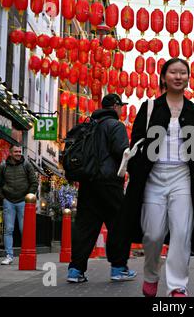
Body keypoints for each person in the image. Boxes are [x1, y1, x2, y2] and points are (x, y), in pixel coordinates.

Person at [124, 58, 194, 297]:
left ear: (188, 78)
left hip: (182, 176)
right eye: (173, 72)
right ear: (164, 77)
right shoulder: (150, 107)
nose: (178, 76)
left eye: (183, 72)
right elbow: (137, 142)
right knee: (153, 234)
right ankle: (151, 274)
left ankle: (177, 286)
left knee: (181, 232)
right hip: (153, 177)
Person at [67, 93, 137, 283]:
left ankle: (75, 270)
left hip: (88, 182)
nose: (122, 109)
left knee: (85, 226)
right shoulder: (115, 126)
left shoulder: (89, 125)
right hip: (108, 182)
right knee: (119, 224)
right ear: (115, 107)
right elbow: (122, 152)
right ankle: (118, 268)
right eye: (121, 106)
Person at [0, 145, 38, 265]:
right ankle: (9, 256)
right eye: (16, 151)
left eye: (20, 151)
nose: (18, 153)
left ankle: (26, 254)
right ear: (10, 153)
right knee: (8, 229)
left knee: (24, 229)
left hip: (23, 201)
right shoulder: (3, 166)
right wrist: (2, 197)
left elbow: (34, 182)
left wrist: (29, 197)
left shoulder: (27, 165)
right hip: (8, 201)